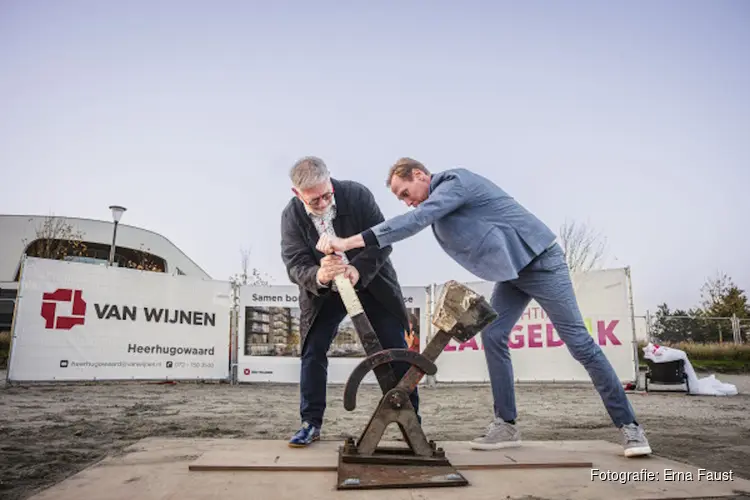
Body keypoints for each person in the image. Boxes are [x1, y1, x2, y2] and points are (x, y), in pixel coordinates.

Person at [315, 157, 652, 458]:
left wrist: (348, 242)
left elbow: (415, 220)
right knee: (493, 336)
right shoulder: (438, 204)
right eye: (401, 198)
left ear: (420, 174)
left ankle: (630, 427)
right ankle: (506, 425)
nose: (407, 201)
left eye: (405, 192)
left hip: (542, 263)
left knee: (580, 344)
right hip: (512, 274)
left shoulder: (455, 183)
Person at [280, 156, 419, 447]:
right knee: (313, 352)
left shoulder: (356, 195)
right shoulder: (291, 216)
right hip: (323, 293)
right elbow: (294, 263)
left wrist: (359, 268)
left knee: (396, 349)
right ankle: (310, 423)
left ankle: (412, 423)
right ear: (297, 194)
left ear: (330, 179)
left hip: (371, 283)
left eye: (326, 195)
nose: (322, 203)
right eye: (314, 200)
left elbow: (383, 239)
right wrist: (318, 274)